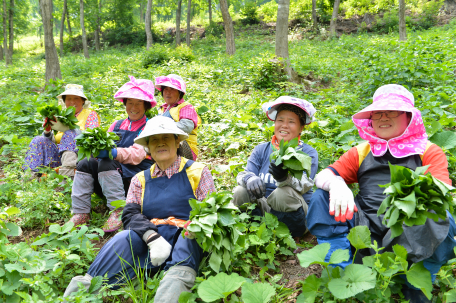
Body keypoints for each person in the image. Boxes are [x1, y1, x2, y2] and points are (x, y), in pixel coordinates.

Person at [306, 84, 455, 302]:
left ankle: (418, 279)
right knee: (321, 196)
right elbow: (323, 176)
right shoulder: (362, 150)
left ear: (408, 117)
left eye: (392, 111)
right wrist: (336, 183)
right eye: (378, 112)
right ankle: (343, 269)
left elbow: (440, 193)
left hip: (410, 236)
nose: (383, 117)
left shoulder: (428, 151)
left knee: (442, 216)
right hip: (364, 231)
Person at [62, 115, 216, 302]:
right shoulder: (140, 179)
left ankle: (171, 291)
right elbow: (130, 214)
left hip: (186, 235)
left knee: (187, 242)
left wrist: (196, 225)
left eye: (166, 138)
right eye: (154, 140)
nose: (160, 143)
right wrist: (151, 237)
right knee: (122, 238)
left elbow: (210, 210)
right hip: (152, 239)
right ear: (149, 148)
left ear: (177, 142)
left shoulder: (198, 172)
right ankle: (80, 291)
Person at [67, 76, 156, 232]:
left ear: (146, 106)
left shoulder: (150, 127)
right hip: (110, 176)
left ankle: (118, 209)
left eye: (138, 103)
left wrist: (112, 152)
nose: (133, 107)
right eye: (130, 103)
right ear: (125, 104)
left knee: (108, 161)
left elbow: (137, 155)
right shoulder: (117, 124)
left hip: (134, 177)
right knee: (85, 163)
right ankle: (81, 212)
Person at [233, 96, 318, 238]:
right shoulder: (261, 149)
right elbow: (243, 174)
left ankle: (284, 236)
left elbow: (305, 184)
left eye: (291, 122)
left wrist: (285, 178)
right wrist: (250, 178)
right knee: (240, 191)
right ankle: (255, 231)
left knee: (282, 193)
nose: (284, 125)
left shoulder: (308, 153)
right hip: (265, 209)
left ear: (301, 128)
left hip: (295, 214)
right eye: (280, 120)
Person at [23, 84, 100, 178]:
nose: (72, 102)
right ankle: (31, 177)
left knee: (70, 133)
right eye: (68, 99)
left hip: (80, 158)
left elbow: (91, 138)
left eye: (76, 98)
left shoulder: (90, 114)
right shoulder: (62, 116)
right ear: (64, 101)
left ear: (83, 100)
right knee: (38, 139)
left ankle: (68, 175)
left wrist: (70, 130)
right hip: (60, 157)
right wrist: (47, 132)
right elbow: (56, 141)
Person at [155, 74, 201, 160]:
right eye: (165, 89)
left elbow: (186, 127)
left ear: (180, 92)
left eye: (172, 89)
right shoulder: (161, 109)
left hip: (184, 149)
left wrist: (162, 126)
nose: (168, 92)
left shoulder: (185, 107)